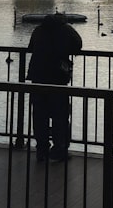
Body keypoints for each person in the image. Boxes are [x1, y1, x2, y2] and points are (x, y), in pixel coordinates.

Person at [26, 13, 83, 162]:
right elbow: (78, 45)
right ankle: (59, 150)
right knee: (60, 116)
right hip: (58, 78)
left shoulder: (38, 30)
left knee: (39, 116)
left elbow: (30, 47)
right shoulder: (66, 30)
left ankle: (41, 150)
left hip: (38, 77)